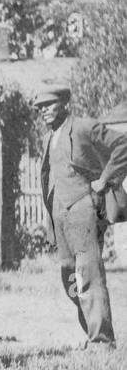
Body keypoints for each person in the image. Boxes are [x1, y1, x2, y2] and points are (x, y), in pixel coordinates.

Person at [36, 84, 127, 348]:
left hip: (84, 208)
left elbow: (123, 143)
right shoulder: (48, 138)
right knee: (69, 277)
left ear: (64, 103)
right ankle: (92, 331)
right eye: (40, 107)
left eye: (49, 104)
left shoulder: (84, 127)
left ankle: (102, 340)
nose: (44, 111)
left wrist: (105, 180)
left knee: (89, 274)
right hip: (59, 214)